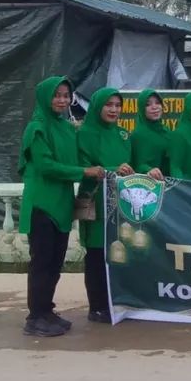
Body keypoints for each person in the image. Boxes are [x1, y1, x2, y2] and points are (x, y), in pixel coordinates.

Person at [18, 76, 104, 337]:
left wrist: (107, 169)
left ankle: (47, 311)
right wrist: (84, 172)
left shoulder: (66, 128)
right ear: (46, 97)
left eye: (66, 95)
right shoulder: (37, 128)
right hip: (42, 204)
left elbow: (79, 160)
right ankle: (35, 317)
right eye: (57, 95)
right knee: (42, 262)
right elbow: (46, 166)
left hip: (62, 205)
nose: (62, 100)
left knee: (55, 263)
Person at [77, 87, 133, 323]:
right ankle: (97, 306)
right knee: (97, 254)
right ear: (98, 106)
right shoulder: (84, 134)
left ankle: (116, 301)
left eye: (118, 105)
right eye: (108, 105)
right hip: (96, 202)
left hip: (120, 202)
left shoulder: (123, 134)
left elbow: (132, 163)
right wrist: (113, 170)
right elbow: (83, 166)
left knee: (119, 252)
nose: (114, 110)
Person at [130, 89, 170, 175]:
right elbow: (136, 165)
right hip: (147, 181)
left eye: (157, 103)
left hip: (169, 180)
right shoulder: (138, 135)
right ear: (142, 108)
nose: (154, 107)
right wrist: (148, 170)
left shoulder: (166, 131)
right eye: (148, 104)